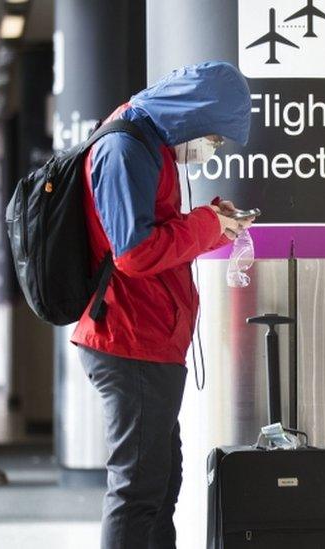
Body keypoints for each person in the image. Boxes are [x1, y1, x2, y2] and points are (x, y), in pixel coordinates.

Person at [70, 61, 254, 549]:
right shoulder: (124, 148)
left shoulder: (149, 146)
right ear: (194, 115)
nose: (210, 150)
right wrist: (208, 226)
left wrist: (211, 221)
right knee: (136, 492)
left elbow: (156, 231)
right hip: (129, 340)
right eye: (213, 138)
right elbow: (133, 253)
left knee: (159, 486)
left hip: (149, 340)